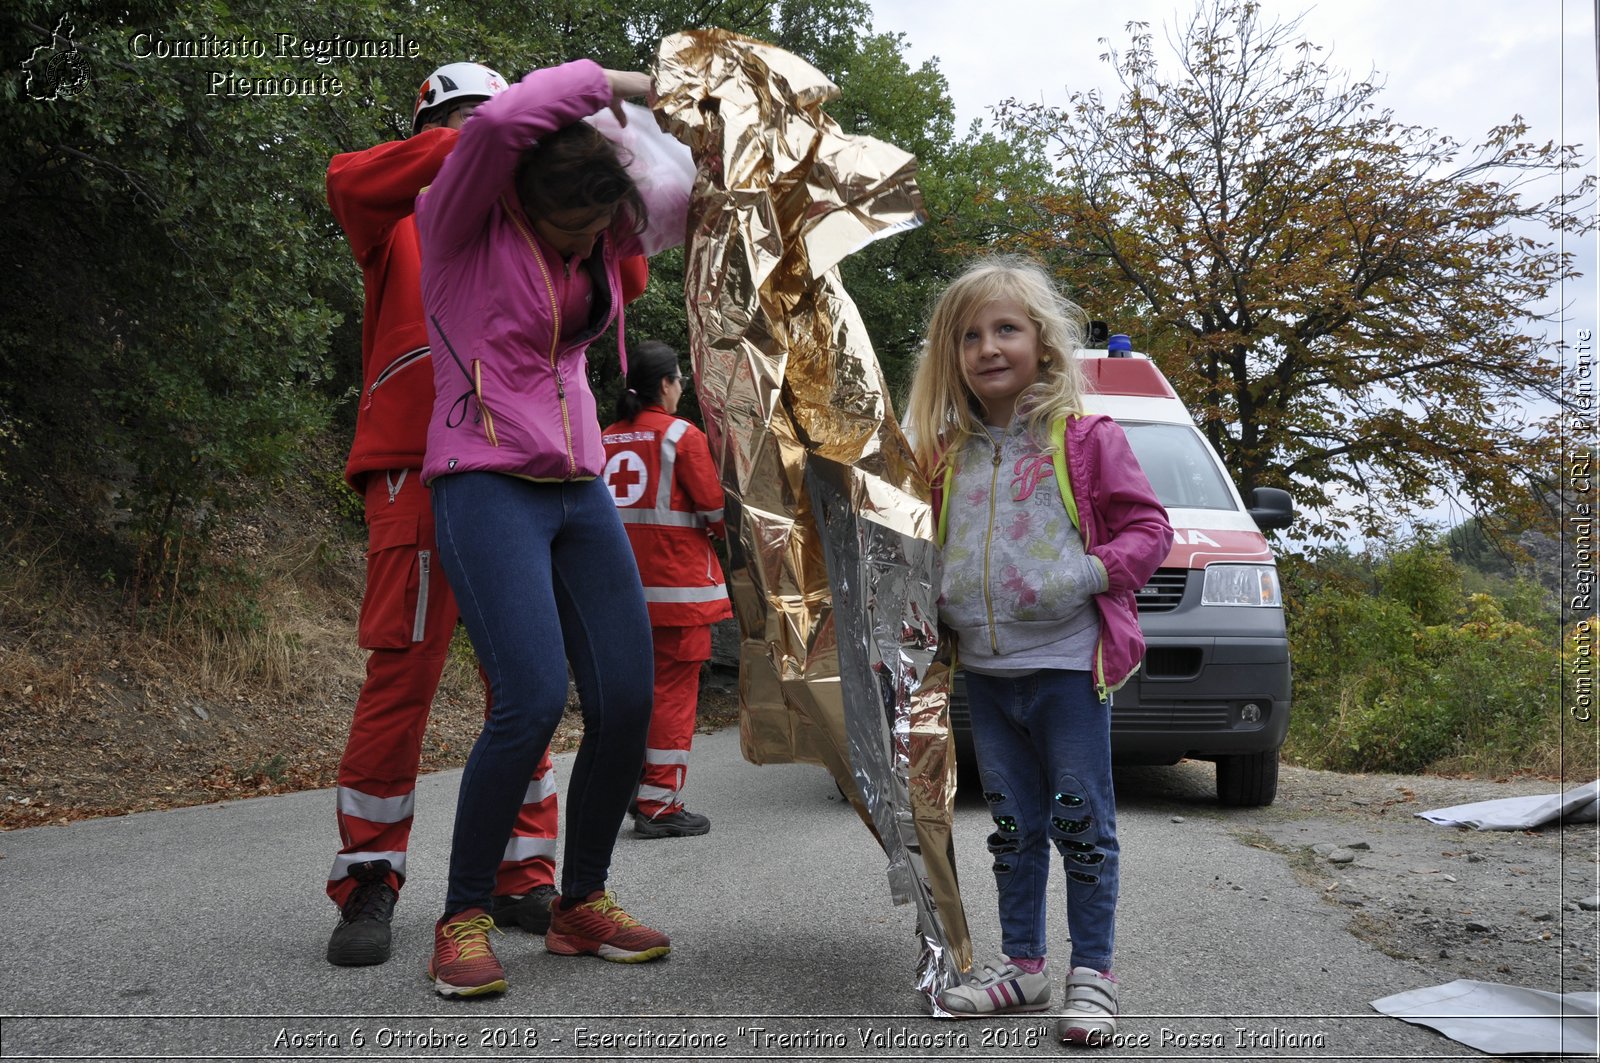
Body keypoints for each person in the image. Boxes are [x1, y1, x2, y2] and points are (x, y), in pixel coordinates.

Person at [415, 59, 685, 998]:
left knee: (626, 700)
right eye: (568, 233)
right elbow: (493, 130)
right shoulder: (453, 222)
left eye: (596, 236)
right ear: (522, 201)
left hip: (577, 486)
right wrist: (625, 79)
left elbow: (680, 192)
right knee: (529, 698)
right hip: (484, 477)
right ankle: (463, 917)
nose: (586, 251)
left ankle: (582, 901)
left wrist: (696, 106)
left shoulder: (598, 243)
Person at [321, 61, 576, 967]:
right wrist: (483, 137)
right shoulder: (393, 218)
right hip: (411, 468)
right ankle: (369, 880)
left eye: (496, 123)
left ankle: (522, 874)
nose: (485, 137)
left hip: (510, 468)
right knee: (404, 673)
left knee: (526, 680)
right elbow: (346, 178)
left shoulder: (534, 225)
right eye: (467, 121)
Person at [904, 255, 1173, 1046]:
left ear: (1044, 345)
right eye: (970, 335)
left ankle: (1093, 972)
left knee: (1080, 822)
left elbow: (1149, 532)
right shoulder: (943, 456)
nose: (988, 346)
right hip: (987, 677)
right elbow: (924, 549)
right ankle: (1023, 964)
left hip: (1065, 668)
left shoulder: (1085, 439)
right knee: (1013, 826)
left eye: (1006, 329)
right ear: (951, 356)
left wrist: (1085, 573)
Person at [600, 341, 732, 839]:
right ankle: (659, 803)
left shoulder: (605, 437)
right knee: (673, 697)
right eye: (679, 381)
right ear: (665, 384)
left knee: (627, 696)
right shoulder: (682, 436)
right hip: (677, 594)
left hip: (615, 594)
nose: (681, 390)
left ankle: (622, 791)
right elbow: (717, 516)